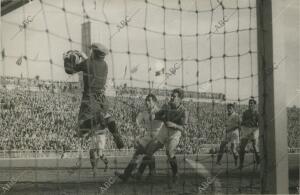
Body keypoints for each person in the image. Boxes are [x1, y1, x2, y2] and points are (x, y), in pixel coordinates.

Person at [63, 43, 124, 174]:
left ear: (94, 53)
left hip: (89, 99)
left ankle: (99, 118)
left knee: (82, 125)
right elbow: (91, 64)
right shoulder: (104, 65)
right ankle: (115, 133)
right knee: (106, 117)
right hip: (102, 99)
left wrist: (67, 58)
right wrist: (84, 57)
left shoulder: (87, 63)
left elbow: (70, 70)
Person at [136, 88, 189, 183]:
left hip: (175, 133)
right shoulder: (166, 106)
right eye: (172, 95)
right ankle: (140, 174)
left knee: (169, 152)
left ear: (180, 99)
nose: (172, 97)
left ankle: (175, 174)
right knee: (149, 150)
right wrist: (154, 116)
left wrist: (174, 125)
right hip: (164, 130)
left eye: (174, 96)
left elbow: (184, 128)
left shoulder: (184, 111)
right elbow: (159, 114)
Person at [115, 93, 163, 181]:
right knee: (137, 153)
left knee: (148, 153)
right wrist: (137, 115)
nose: (147, 102)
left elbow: (163, 119)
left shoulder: (159, 111)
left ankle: (147, 173)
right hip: (148, 136)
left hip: (158, 136)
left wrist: (155, 115)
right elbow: (137, 122)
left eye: (149, 101)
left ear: (155, 102)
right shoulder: (144, 112)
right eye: (146, 101)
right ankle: (127, 175)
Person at [239, 98, 259, 169]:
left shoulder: (257, 113)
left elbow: (258, 124)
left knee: (255, 147)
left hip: (253, 130)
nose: (250, 104)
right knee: (242, 148)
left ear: (254, 105)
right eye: (249, 103)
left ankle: (258, 160)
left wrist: (255, 131)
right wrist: (244, 126)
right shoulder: (245, 113)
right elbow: (242, 122)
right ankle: (241, 164)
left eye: (252, 103)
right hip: (246, 130)